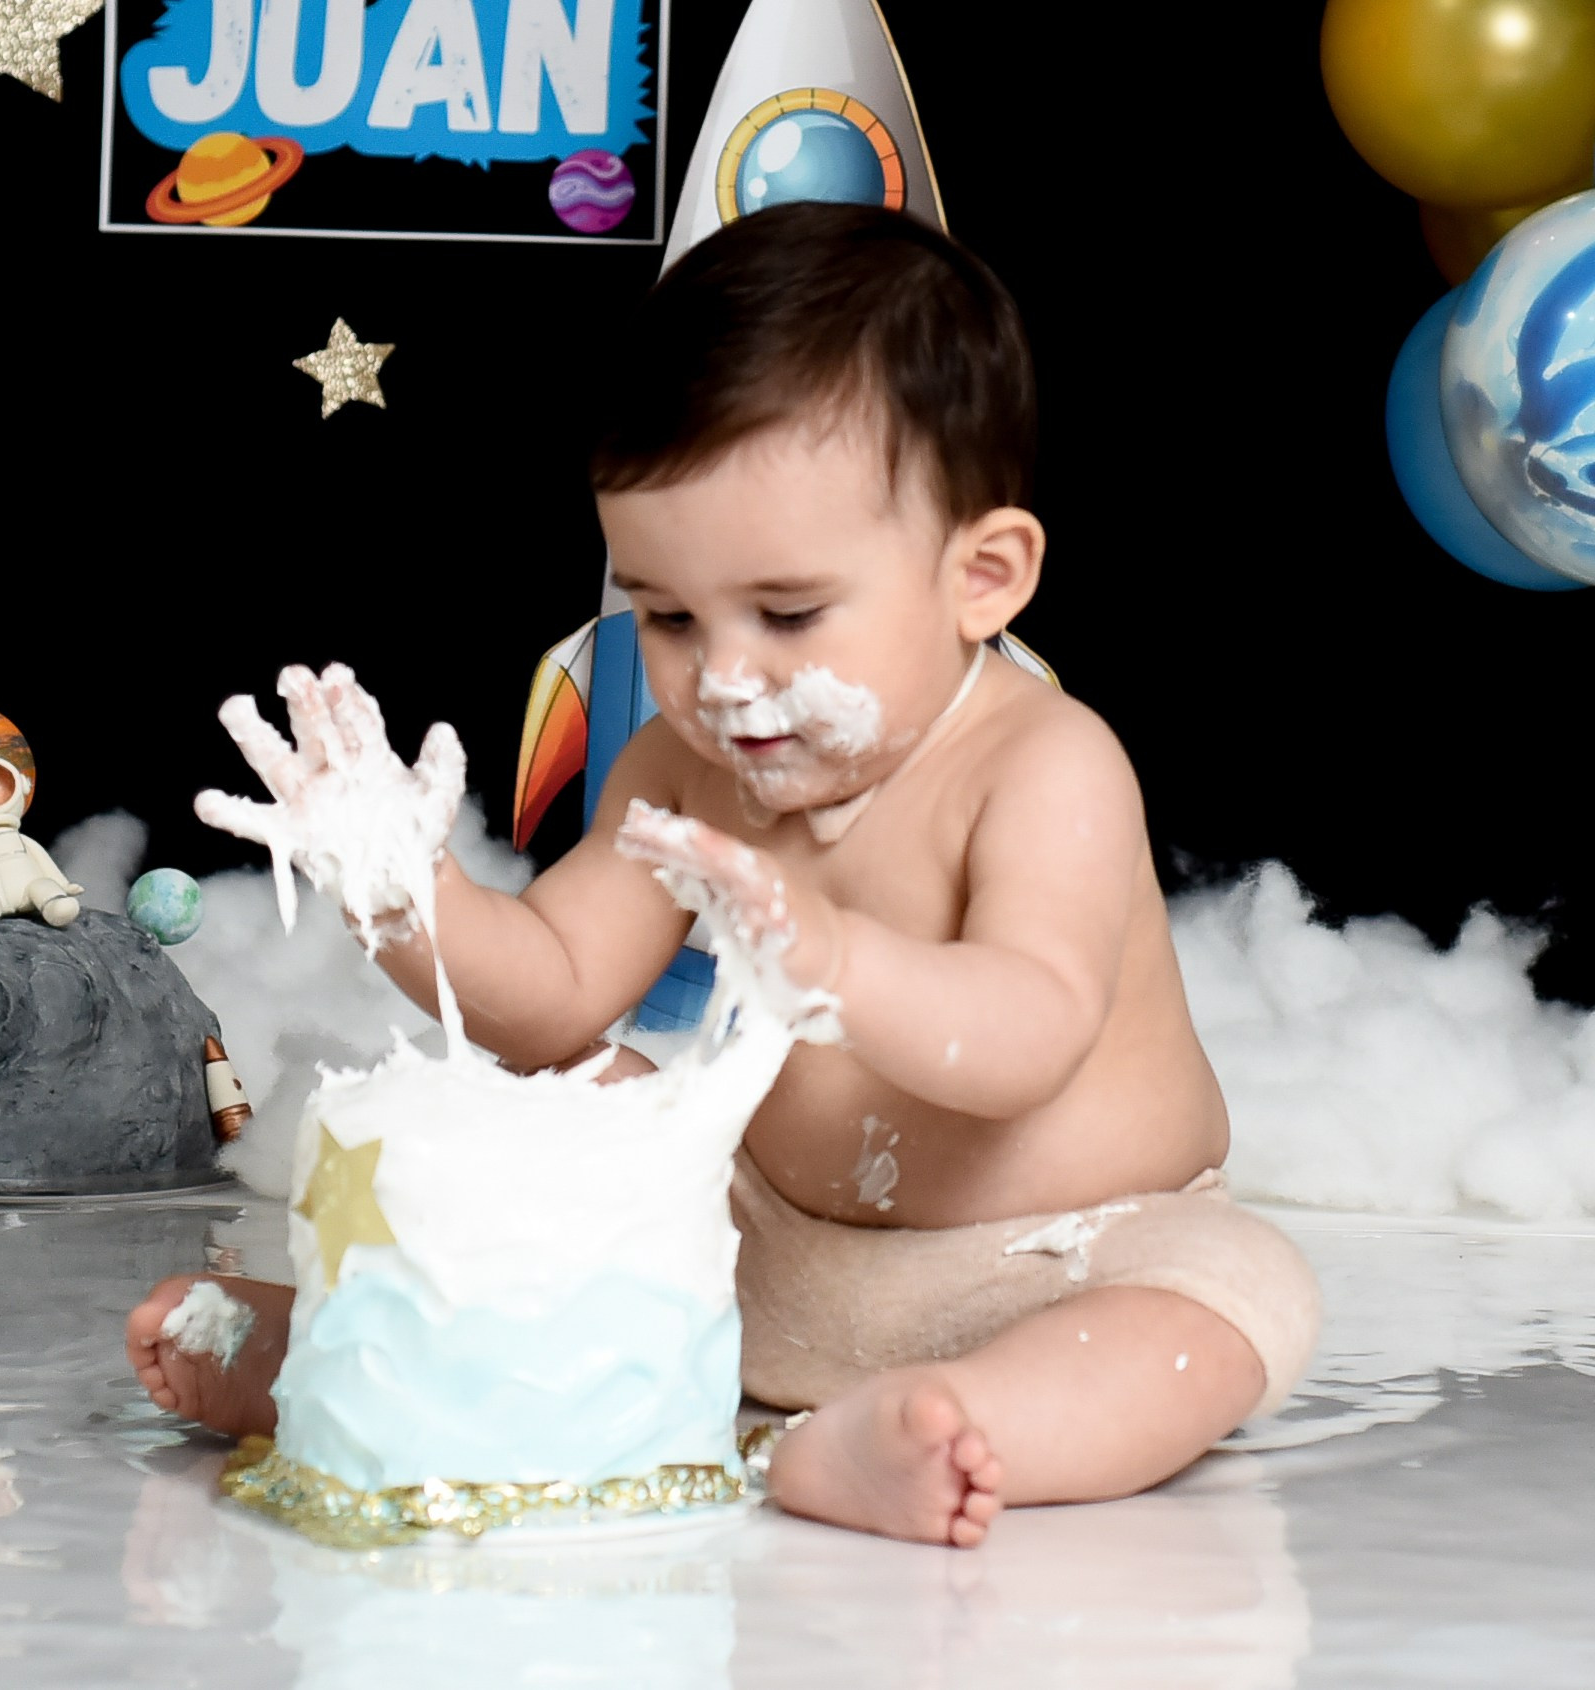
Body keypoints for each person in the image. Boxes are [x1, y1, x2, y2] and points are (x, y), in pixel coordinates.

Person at [127, 201, 1318, 1548]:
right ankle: (352, 1359)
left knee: (1225, 1305)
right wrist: (404, 889)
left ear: (983, 577)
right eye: (670, 617)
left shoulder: (1047, 766)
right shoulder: (685, 766)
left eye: (788, 613)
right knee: (582, 1111)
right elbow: (551, 995)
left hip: (1069, 1258)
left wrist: (835, 961)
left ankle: (950, 1424)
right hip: (756, 1255)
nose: (725, 676)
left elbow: (1029, 1037)